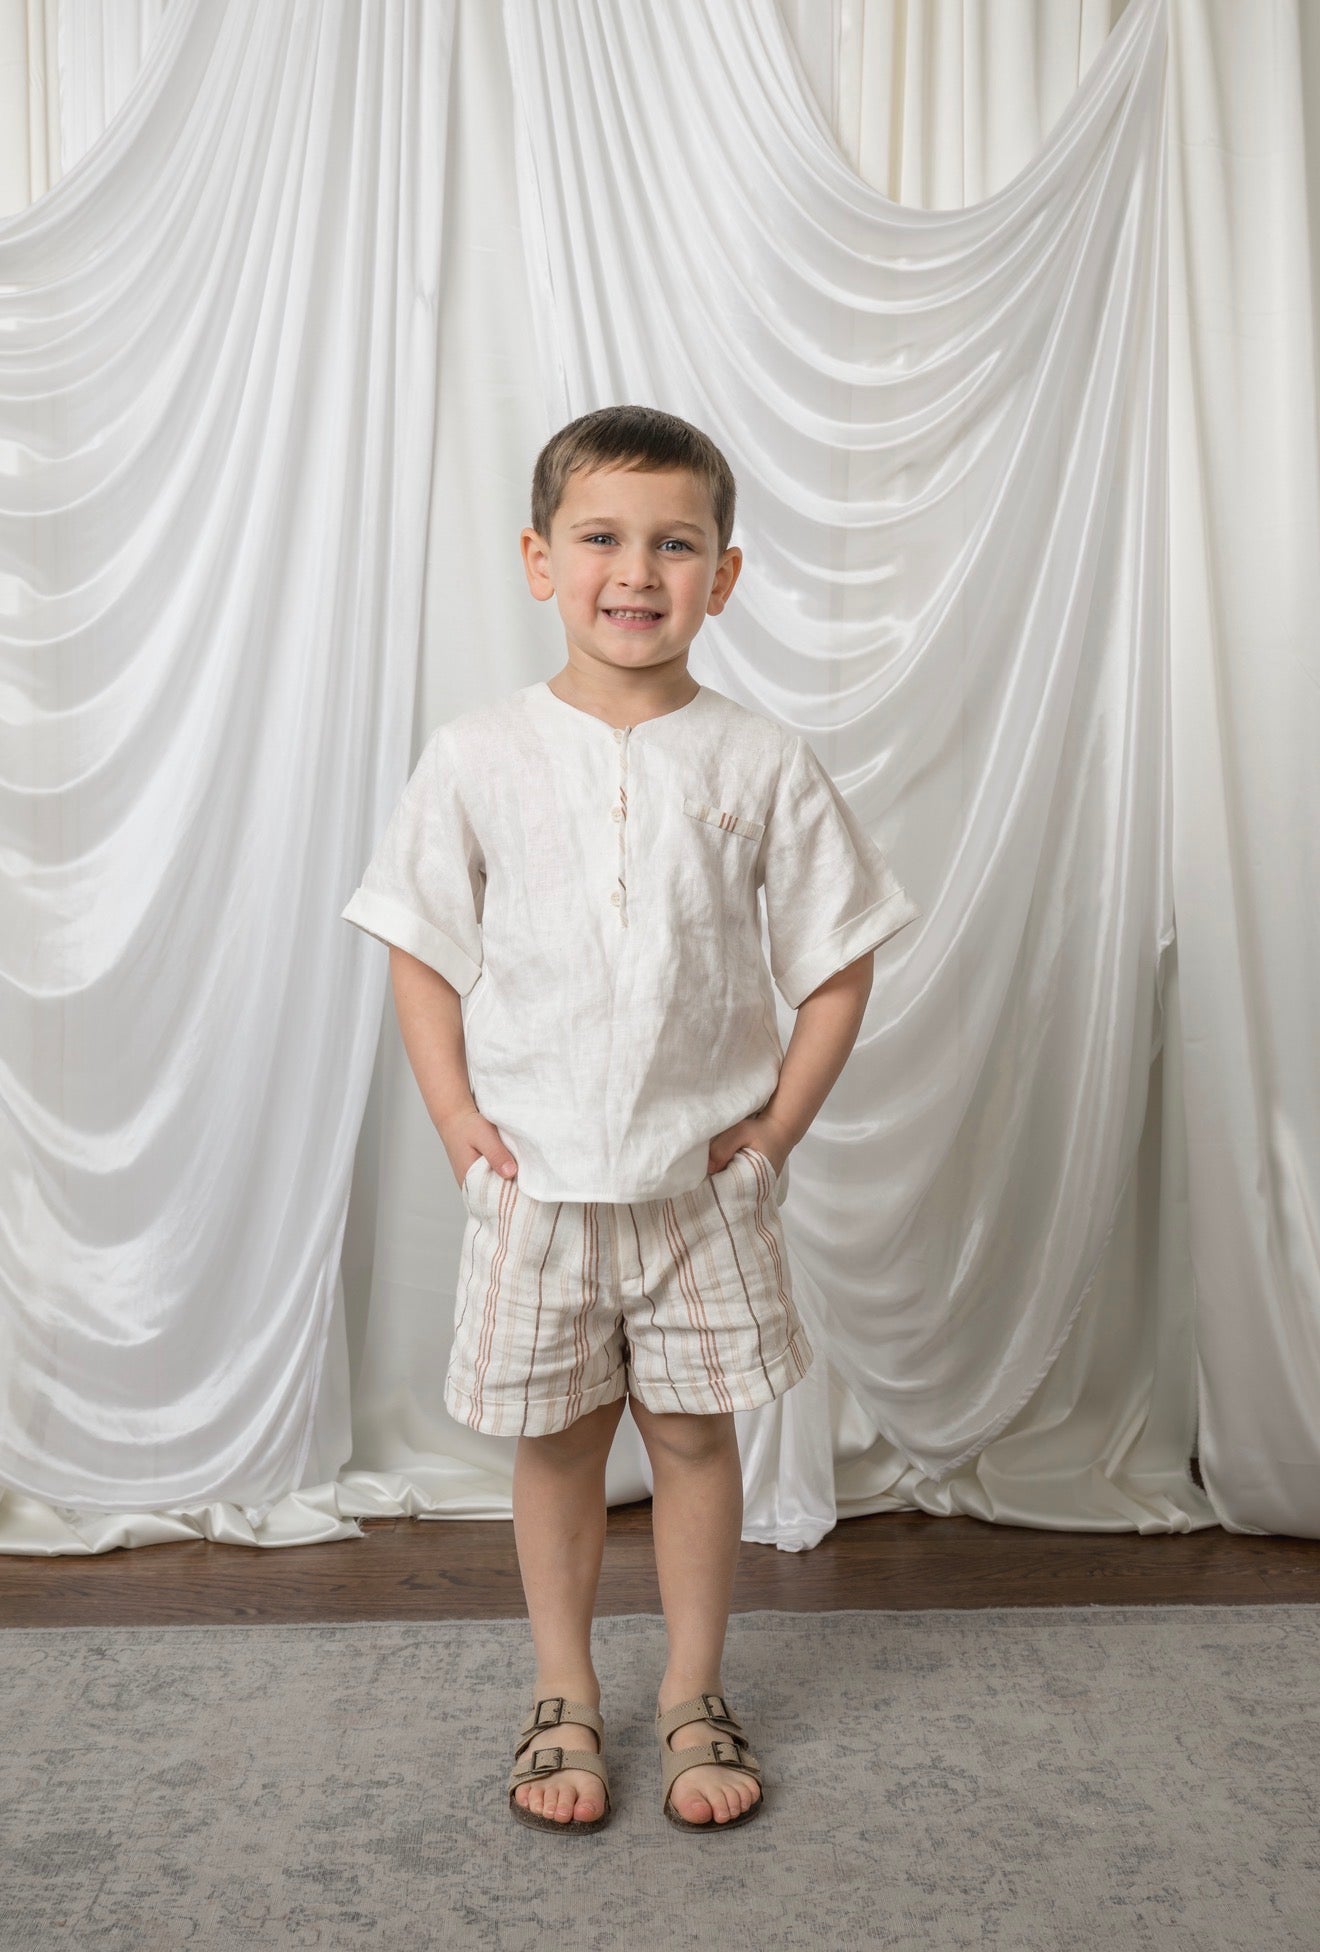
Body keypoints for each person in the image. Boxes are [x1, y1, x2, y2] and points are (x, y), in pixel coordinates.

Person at [341, 403, 920, 1835]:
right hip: (538, 1185)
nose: (636, 571)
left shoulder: (760, 761)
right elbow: (420, 941)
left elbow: (839, 962)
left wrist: (772, 1131)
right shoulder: (478, 752)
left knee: (694, 1442)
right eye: (602, 538)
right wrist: (458, 1114)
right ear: (541, 560)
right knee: (553, 1445)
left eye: (676, 544)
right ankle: (562, 1693)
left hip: (695, 1193)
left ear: (723, 576)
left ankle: (692, 1690)